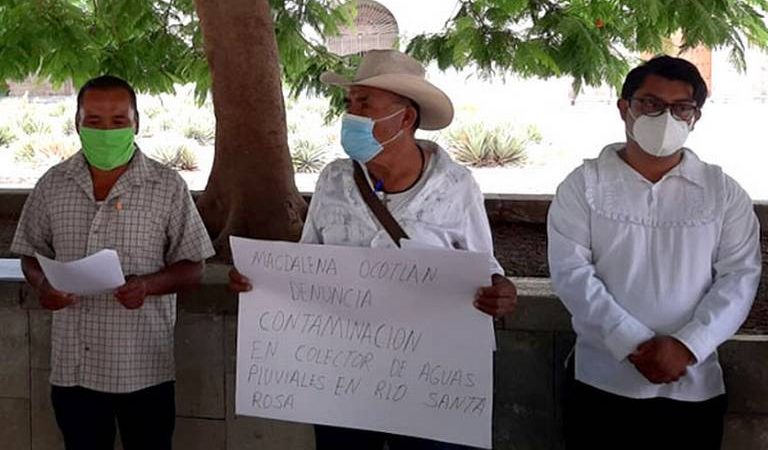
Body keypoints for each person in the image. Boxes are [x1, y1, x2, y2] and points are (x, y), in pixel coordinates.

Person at [230, 49, 517, 449]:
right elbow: (307, 263)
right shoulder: (334, 180)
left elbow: (485, 269)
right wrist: (262, 283)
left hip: (426, 383)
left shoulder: (455, 187)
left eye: (364, 103)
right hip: (343, 381)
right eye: (349, 103)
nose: (351, 114)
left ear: (406, 118)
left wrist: (500, 291)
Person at [547, 56, 761, 449]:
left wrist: (687, 346)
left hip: (694, 386)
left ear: (695, 117)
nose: (666, 118)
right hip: (601, 383)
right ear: (624, 108)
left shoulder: (722, 191)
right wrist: (631, 342)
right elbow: (571, 273)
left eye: (682, 108)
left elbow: (739, 277)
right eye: (650, 104)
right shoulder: (583, 185)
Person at [12, 75, 215, 450]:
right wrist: (43, 285)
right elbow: (29, 252)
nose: (106, 130)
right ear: (77, 124)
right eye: (94, 121)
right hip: (74, 367)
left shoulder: (167, 186)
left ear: (137, 124)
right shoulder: (52, 184)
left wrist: (148, 285)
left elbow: (194, 265)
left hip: (144, 367)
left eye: (118, 121)